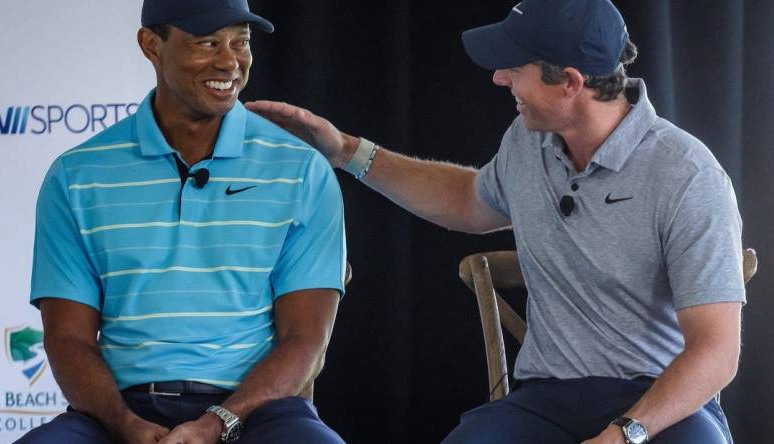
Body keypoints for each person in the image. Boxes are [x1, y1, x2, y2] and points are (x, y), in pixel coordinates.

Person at [247, 0, 745, 443]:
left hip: (661, 405)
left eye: (515, 67)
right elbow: (468, 199)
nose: (499, 78)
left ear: (570, 81)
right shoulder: (528, 141)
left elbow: (717, 352)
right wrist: (349, 152)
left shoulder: (687, 175)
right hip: (548, 400)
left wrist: (624, 434)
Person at [19, 1, 347, 443]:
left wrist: (217, 423)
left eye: (241, 42)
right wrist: (124, 425)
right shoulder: (77, 175)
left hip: (256, 412)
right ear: (152, 46)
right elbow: (68, 338)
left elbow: (306, 337)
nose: (229, 61)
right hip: (116, 412)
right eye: (207, 42)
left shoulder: (302, 169)